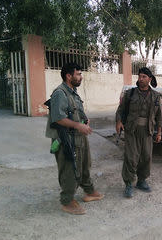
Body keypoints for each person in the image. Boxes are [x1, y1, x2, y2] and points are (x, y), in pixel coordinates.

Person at [46, 62, 104, 215]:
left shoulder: (73, 92)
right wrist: (79, 126)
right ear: (68, 76)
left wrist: (84, 121)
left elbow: (76, 112)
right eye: (78, 74)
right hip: (66, 138)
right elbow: (58, 118)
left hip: (78, 136)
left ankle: (89, 191)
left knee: (85, 164)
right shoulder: (60, 93)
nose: (81, 77)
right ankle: (67, 201)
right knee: (70, 168)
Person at [115, 67, 162, 198]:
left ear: (149, 79)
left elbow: (159, 116)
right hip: (132, 130)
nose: (140, 79)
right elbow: (120, 110)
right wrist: (118, 122)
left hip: (147, 131)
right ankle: (129, 184)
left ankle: (141, 181)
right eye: (139, 76)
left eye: (143, 77)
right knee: (131, 157)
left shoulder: (155, 96)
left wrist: (159, 132)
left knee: (146, 157)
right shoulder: (130, 94)